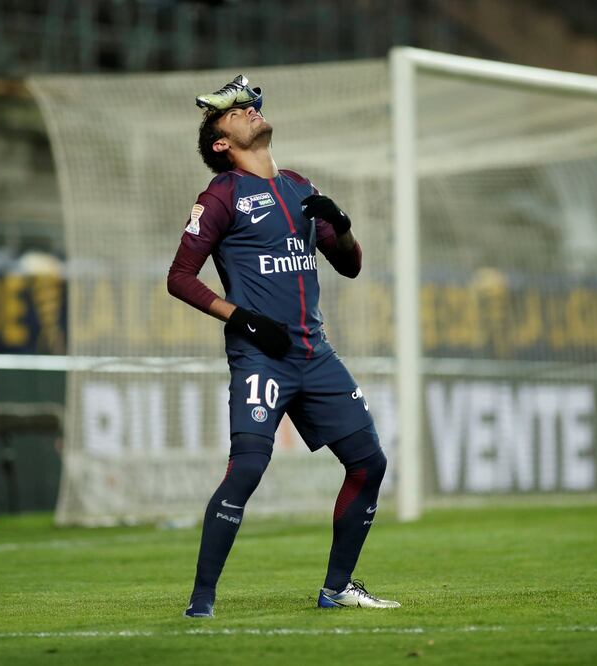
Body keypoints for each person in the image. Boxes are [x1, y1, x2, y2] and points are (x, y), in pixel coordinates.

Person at [167, 75, 398, 617]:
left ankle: (337, 588)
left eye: (252, 106)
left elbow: (351, 264)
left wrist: (340, 226)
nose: (249, 111)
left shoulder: (298, 187)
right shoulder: (220, 196)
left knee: (370, 463)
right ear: (220, 143)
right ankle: (201, 604)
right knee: (246, 470)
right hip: (260, 356)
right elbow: (180, 277)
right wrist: (242, 319)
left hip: (314, 355)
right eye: (236, 112)